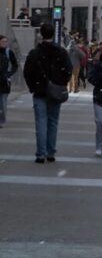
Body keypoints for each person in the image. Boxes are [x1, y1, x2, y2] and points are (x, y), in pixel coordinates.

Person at [23, 23, 72, 163]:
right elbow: (68, 69)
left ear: (41, 34)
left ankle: (40, 154)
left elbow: (27, 72)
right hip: (56, 91)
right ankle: (51, 152)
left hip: (39, 91)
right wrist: (62, 84)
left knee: (41, 122)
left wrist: (33, 87)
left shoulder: (35, 53)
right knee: (53, 122)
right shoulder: (61, 52)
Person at [0, 35, 18, 127]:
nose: (4, 43)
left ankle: (1, 121)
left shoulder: (8, 52)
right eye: (3, 41)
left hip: (4, 81)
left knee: (3, 102)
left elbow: (15, 65)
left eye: (5, 41)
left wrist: (9, 74)